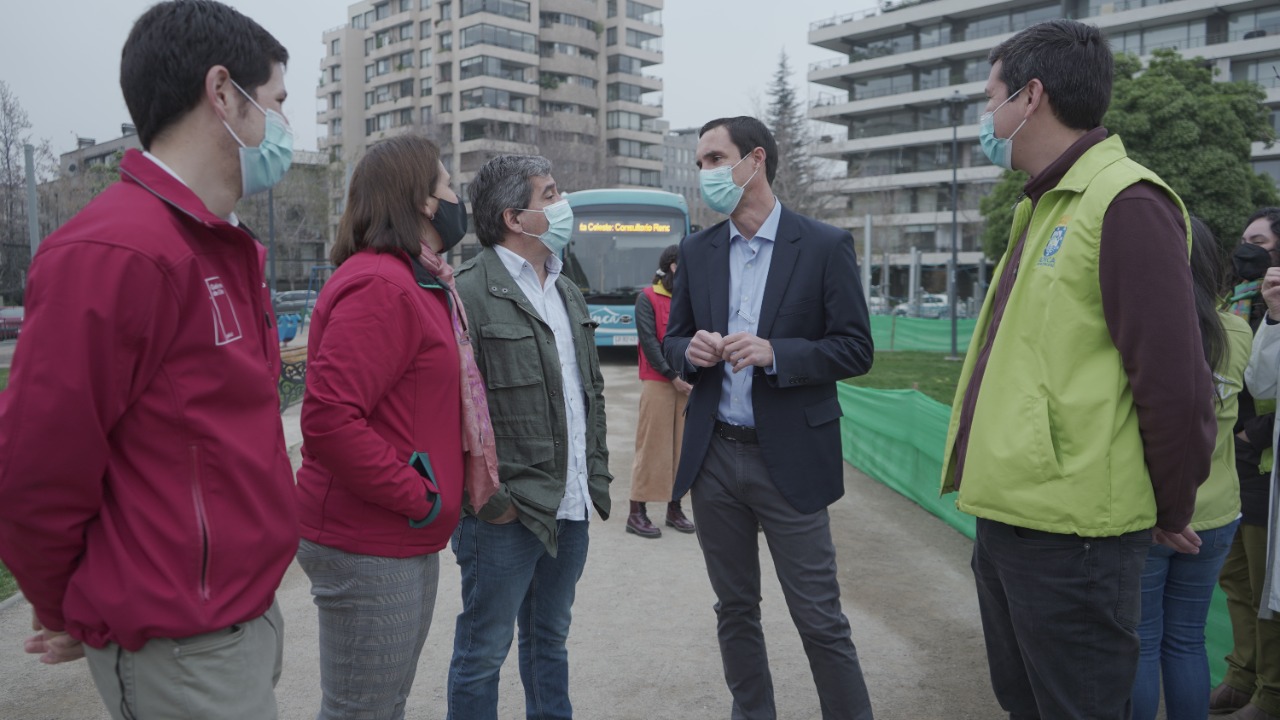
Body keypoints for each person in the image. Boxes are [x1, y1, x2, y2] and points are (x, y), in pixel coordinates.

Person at [0, 2, 298, 718]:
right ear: (223, 93)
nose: (285, 128)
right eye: (278, 103)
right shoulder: (116, 252)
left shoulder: (221, 246)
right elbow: (36, 466)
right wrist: (68, 604)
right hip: (182, 645)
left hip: (239, 619)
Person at [939, 20, 1216, 720]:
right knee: (1026, 703)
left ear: (1031, 97)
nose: (985, 116)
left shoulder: (1125, 202)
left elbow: (1176, 384)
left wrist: (1170, 505)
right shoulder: (1041, 204)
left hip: (1076, 539)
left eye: (991, 96)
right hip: (1012, 516)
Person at [661, 116, 876, 720]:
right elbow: (672, 341)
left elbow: (856, 350)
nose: (704, 172)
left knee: (819, 617)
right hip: (715, 460)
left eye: (713, 158)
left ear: (755, 160)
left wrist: (777, 352)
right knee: (735, 610)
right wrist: (690, 351)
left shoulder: (825, 245)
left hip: (790, 460)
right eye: (700, 161)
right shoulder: (697, 251)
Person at [294, 135, 497, 720]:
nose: (458, 197)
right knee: (364, 710)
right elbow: (329, 420)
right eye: (449, 185)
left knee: (383, 705)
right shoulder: (382, 285)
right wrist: (421, 496)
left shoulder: (418, 282)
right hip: (370, 537)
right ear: (424, 203)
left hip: (398, 533)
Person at [448, 155, 611, 720]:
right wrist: (489, 502)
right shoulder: (467, 292)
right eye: (552, 194)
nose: (564, 205)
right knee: (482, 653)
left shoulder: (567, 290)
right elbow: (455, 413)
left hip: (569, 506)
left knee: (550, 642)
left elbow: (588, 395)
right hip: (504, 516)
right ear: (516, 217)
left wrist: (594, 478)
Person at [1130, 217, 1248, 720]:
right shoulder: (1241, 330)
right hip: (1219, 513)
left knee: (1141, 640)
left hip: (1150, 510)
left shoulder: (1144, 328)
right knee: (1185, 641)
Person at [1234, 208, 1280, 720]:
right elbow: (1254, 378)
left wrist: (1254, 433)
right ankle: (1243, 675)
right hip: (1238, 461)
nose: (1246, 250)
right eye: (1243, 240)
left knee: (1268, 582)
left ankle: (1270, 691)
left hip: (1264, 458)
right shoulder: (1242, 299)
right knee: (1239, 578)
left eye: (1259, 242)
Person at [627, 244, 695, 538]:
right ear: (674, 267)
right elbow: (650, 344)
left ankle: (674, 507)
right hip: (658, 380)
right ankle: (636, 511)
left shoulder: (690, 299)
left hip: (689, 382)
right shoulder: (648, 298)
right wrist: (672, 376)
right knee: (652, 446)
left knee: (683, 448)